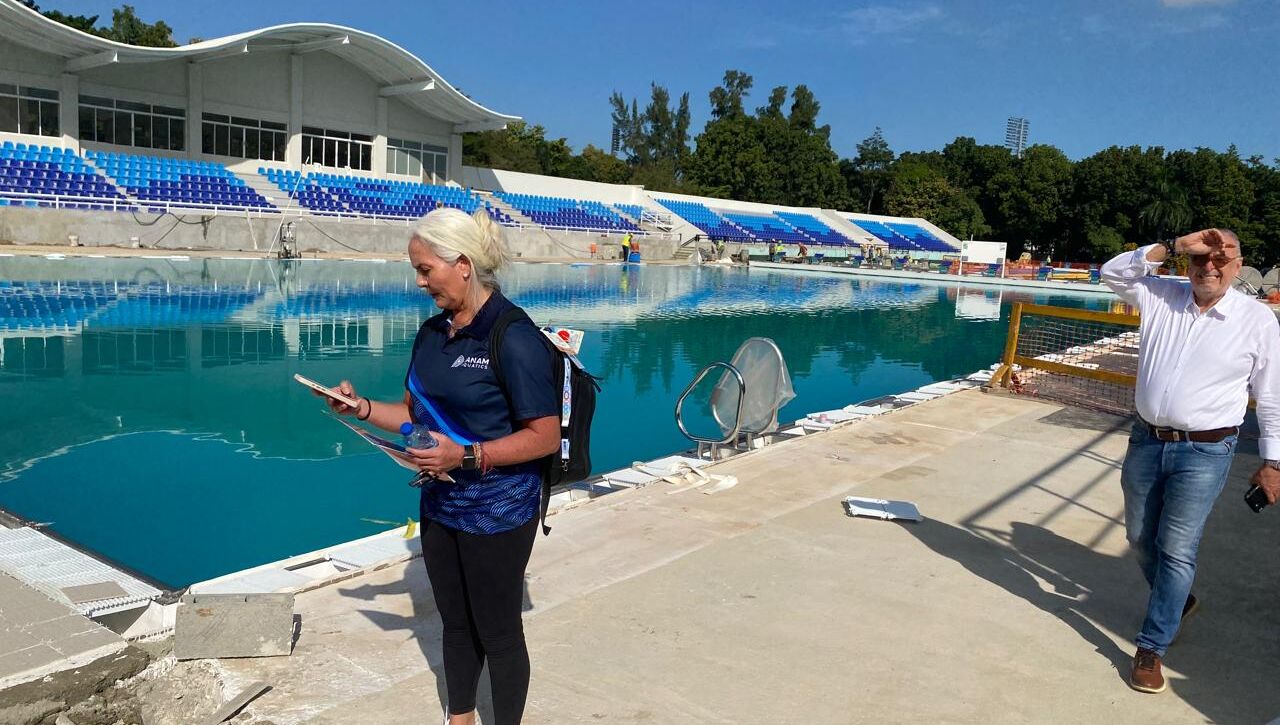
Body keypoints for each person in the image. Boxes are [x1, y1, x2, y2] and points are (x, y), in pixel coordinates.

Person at [320, 208, 560, 724]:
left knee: (497, 631)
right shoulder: (432, 333)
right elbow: (412, 414)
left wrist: (468, 455)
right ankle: (460, 718)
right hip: (442, 501)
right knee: (454, 622)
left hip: (499, 510)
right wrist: (360, 407)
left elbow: (544, 437)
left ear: (464, 265)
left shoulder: (513, 337)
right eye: (417, 269)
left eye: (426, 269)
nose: (420, 281)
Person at [1100, 228, 1280, 694]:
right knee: (1139, 536)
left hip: (1206, 450)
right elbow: (1112, 272)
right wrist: (1177, 243)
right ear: (1188, 264)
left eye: (1222, 260)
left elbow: (1272, 397)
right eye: (1201, 260)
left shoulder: (1256, 320)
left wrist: (1272, 461)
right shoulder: (1162, 294)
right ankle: (1175, 599)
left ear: (1238, 268)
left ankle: (1151, 646)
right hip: (1146, 440)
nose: (1210, 268)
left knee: (1177, 548)